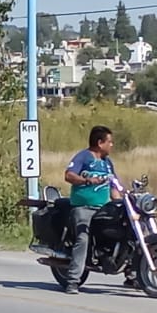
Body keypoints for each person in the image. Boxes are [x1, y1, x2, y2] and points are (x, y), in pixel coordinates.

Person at [62, 125, 117, 295]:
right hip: (83, 207)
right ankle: (72, 281)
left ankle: (132, 273)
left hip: (103, 208)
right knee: (83, 238)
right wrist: (86, 181)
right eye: (110, 141)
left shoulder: (108, 163)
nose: (112, 145)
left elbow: (115, 188)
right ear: (100, 143)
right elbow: (69, 175)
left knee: (124, 230)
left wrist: (124, 201)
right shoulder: (83, 156)